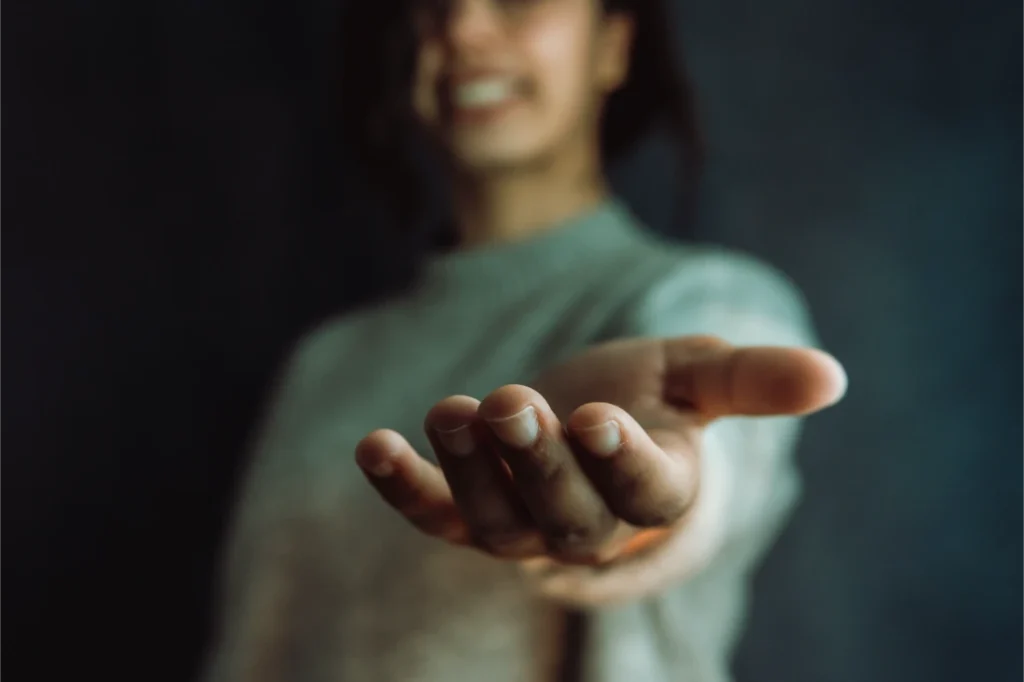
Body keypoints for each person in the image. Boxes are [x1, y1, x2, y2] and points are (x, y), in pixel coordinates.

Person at [201, 0, 847, 680]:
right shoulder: (325, 362)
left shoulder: (700, 298)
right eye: (433, 8)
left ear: (614, 45)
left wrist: (650, 495)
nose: (462, 28)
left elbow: (715, 458)